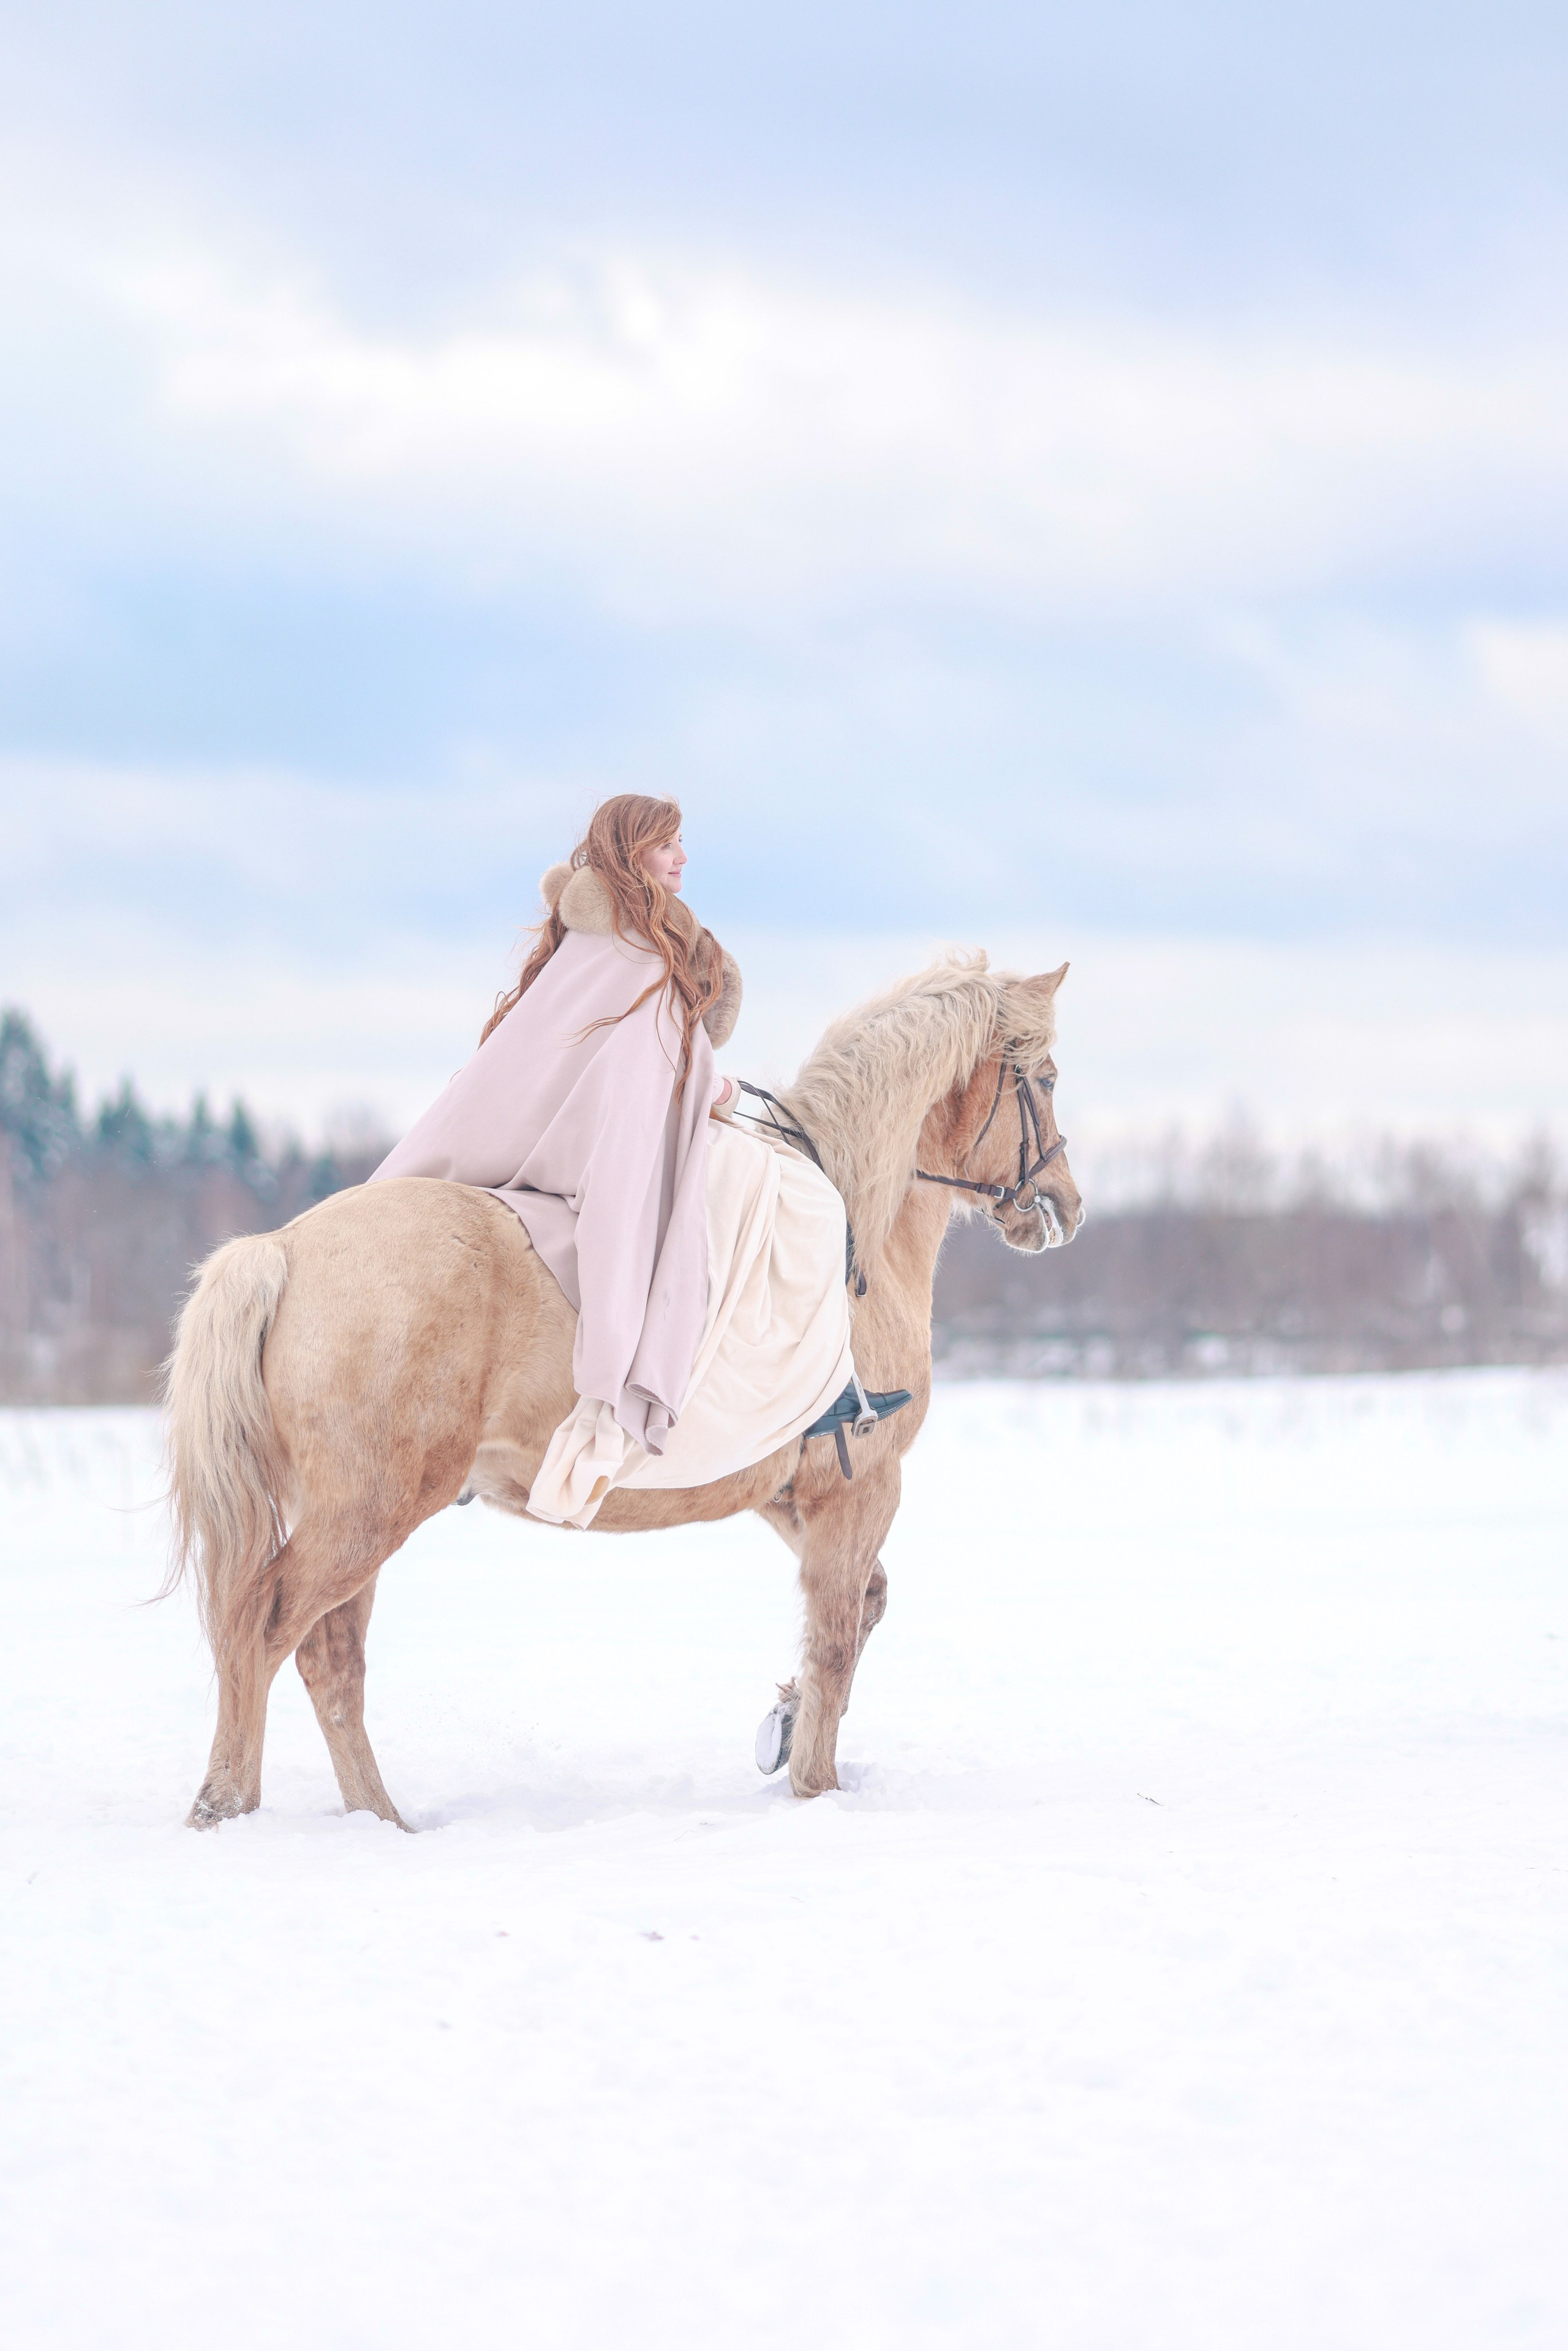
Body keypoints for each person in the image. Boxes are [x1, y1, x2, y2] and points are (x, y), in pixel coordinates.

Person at [370, 793, 895, 1527]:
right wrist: (717, 1090)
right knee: (798, 1197)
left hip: (555, 1129)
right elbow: (648, 1062)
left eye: (680, 843)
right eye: (665, 845)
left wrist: (695, 1077)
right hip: (607, 1139)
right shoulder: (641, 947)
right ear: (630, 854)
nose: (681, 858)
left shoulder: (591, 935)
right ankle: (790, 1387)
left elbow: (610, 1057)